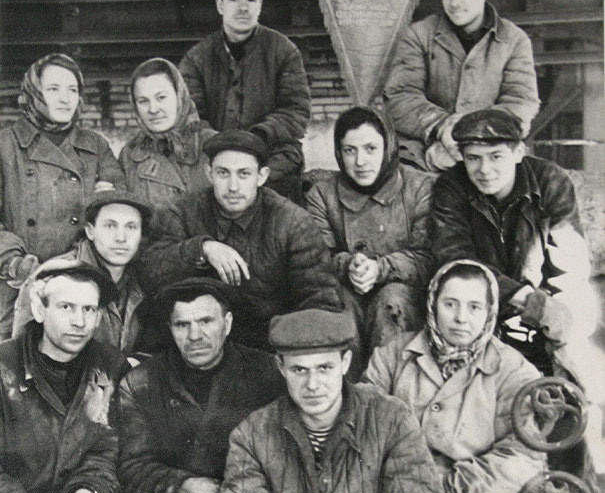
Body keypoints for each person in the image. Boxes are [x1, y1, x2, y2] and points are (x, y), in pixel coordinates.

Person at [216, 308, 451, 493]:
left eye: (324, 368)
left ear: (345, 362)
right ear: (281, 367)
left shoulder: (392, 420)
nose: (312, 384)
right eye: (299, 370)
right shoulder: (252, 435)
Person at [363, 259, 547, 493]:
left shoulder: (514, 370)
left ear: (489, 311)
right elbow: (364, 426)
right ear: (433, 304)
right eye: (450, 304)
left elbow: (522, 456)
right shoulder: (393, 354)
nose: (461, 318)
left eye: (474, 307)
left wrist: (444, 488)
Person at [430, 109, 598, 380]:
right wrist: (528, 301)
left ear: (519, 152)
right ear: (462, 157)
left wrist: (557, 315)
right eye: (473, 158)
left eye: (496, 156)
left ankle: (575, 393)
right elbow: (456, 261)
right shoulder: (450, 187)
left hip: (546, 294)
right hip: (483, 298)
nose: (484, 170)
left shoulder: (550, 181)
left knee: (578, 321)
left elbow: (571, 267)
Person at [140, 129, 344, 350]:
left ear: (262, 176)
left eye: (244, 174)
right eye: (223, 173)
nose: (233, 186)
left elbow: (320, 298)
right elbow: (150, 272)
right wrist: (201, 249)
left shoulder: (293, 222)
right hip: (197, 343)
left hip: (269, 345)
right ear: (209, 173)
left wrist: (290, 349)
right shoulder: (183, 211)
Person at [118, 277, 285, 493]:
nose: (195, 336)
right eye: (182, 325)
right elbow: (132, 467)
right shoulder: (142, 382)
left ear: (227, 324)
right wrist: (184, 485)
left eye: (206, 321)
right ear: (170, 328)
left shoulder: (268, 373)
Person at [0, 53, 125, 340]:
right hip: (19, 287)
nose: (65, 98)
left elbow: (119, 209)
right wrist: (16, 264)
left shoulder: (96, 145)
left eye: (72, 89)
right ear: (34, 93)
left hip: (82, 285)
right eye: (53, 89)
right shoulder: (5, 145)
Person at [0, 260, 125, 493]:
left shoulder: (111, 367)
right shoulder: (3, 366)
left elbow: (109, 448)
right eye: (66, 307)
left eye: (89, 309)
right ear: (39, 310)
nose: (79, 322)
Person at [305, 106, 434, 361]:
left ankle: (390, 381)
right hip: (348, 289)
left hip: (405, 296)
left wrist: (380, 268)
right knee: (338, 303)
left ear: (388, 147)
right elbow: (316, 256)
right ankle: (346, 382)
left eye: (371, 149)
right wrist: (349, 265)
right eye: (349, 150)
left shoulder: (420, 187)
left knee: (391, 301)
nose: (360, 161)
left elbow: (429, 256)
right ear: (339, 153)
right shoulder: (322, 194)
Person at [383, 0, 539, 171]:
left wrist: (475, 135)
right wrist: (441, 126)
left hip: (491, 157)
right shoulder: (418, 35)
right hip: (425, 157)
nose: (454, 2)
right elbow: (400, 96)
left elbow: (521, 100)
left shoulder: (514, 40)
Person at [179, 0, 311, 203]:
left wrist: (259, 136)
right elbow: (190, 118)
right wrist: (224, 148)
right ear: (220, 5)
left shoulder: (284, 51)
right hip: (217, 162)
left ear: (260, 5)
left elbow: (296, 112)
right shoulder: (196, 58)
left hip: (274, 163)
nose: (243, 7)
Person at [13, 186, 152, 357]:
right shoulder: (52, 276)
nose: (121, 238)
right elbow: (20, 356)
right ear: (90, 231)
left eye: (131, 227)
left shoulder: (140, 280)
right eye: (110, 226)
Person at [119, 58, 212, 212]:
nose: (153, 109)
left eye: (161, 97)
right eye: (143, 101)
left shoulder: (213, 145)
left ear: (179, 96)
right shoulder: (129, 156)